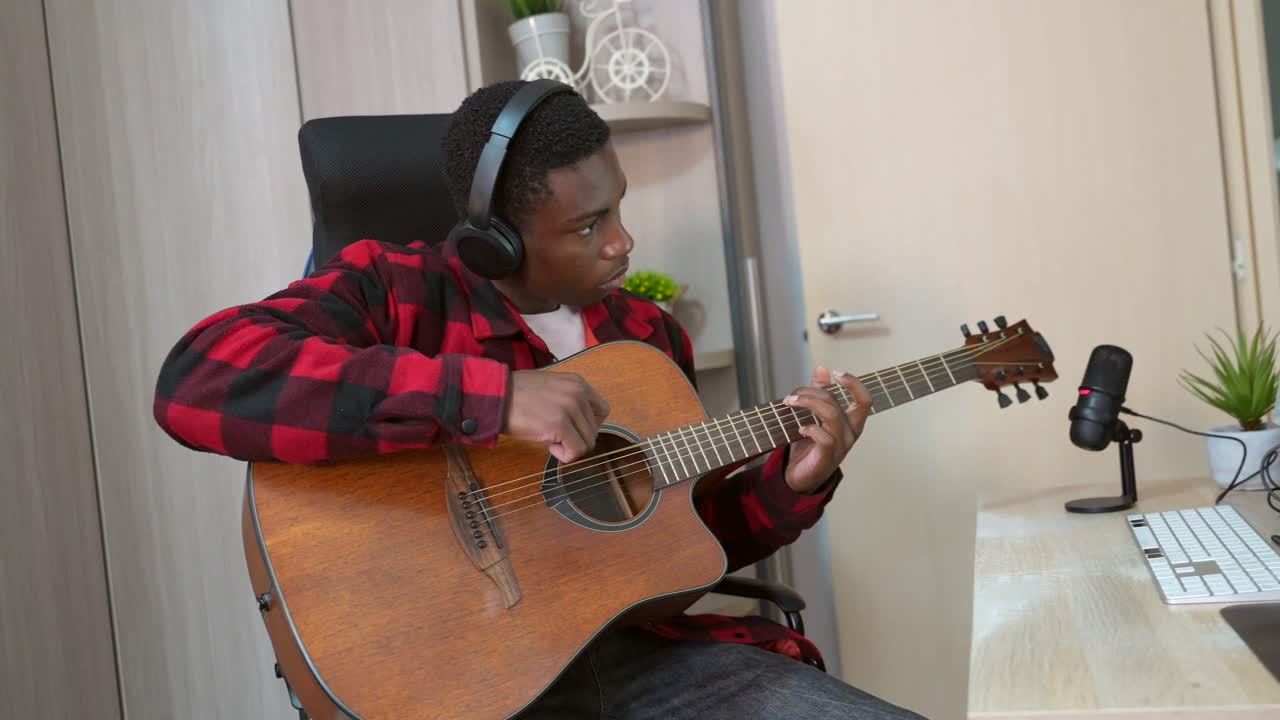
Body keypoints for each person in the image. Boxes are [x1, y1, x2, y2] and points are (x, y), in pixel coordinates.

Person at [153, 80, 922, 720]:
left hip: (645, 668)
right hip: (462, 684)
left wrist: (795, 482)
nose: (622, 242)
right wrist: (491, 396)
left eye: (618, 208)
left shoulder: (645, 336)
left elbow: (678, 543)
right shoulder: (395, 291)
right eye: (589, 225)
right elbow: (200, 378)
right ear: (499, 240)